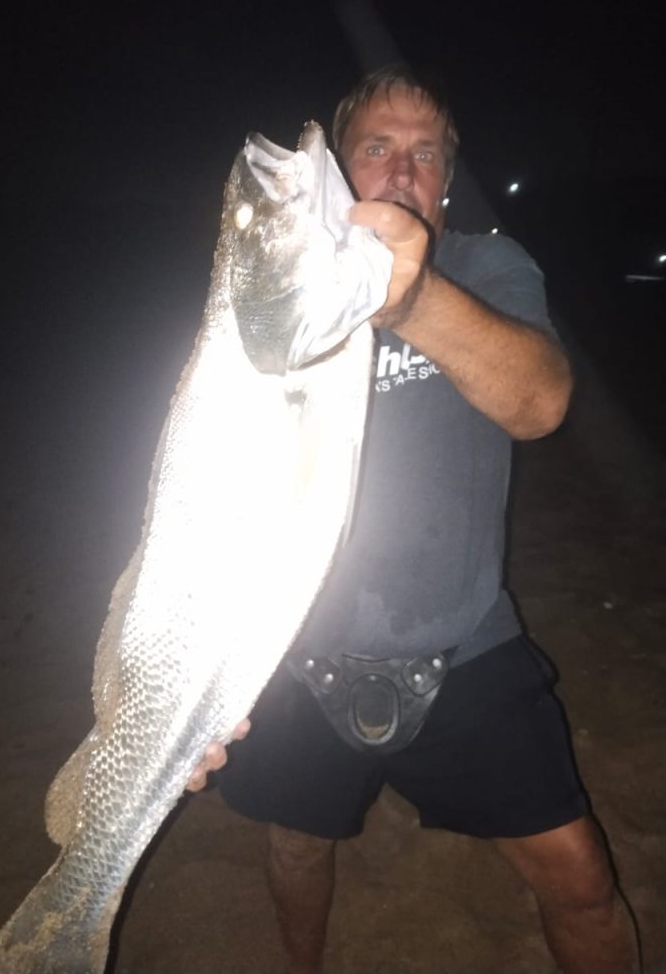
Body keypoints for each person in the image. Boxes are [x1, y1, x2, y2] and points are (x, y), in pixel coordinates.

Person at [210, 66, 641, 974]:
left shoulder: (490, 267)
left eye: (427, 153)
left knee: (578, 874)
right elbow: (214, 481)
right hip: (298, 643)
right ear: (340, 173)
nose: (403, 170)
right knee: (295, 845)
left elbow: (541, 402)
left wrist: (405, 297)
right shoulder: (275, 297)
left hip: (467, 642)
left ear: (447, 178)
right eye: (377, 147)